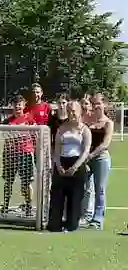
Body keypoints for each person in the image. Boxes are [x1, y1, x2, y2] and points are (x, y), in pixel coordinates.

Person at [48, 100, 91, 232]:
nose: (71, 113)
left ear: (79, 111)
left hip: (77, 165)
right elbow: (56, 149)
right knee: (57, 197)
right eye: (69, 110)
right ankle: (55, 223)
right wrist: (58, 165)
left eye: (74, 110)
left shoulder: (85, 130)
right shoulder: (61, 128)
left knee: (75, 198)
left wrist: (75, 167)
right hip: (61, 163)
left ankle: (71, 223)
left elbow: (85, 151)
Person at [82, 92, 113, 230]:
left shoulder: (108, 123)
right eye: (93, 104)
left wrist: (91, 155)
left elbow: (105, 144)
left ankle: (98, 219)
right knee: (84, 187)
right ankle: (84, 216)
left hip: (101, 158)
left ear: (104, 104)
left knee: (100, 190)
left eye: (98, 103)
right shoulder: (87, 120)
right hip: (86, 158)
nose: (95, 106)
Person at [1, 95, 36, 215]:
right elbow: (4, 137)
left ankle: (28, 206)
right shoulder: (7, 121)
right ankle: (5, 205)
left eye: (20, 104)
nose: (18, 106)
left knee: (26, 182)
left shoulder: (29, 119)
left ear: (24, 105)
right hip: (10, 154)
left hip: (25, 154)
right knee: (8, 181)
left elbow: (35, 134)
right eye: (15, 104)